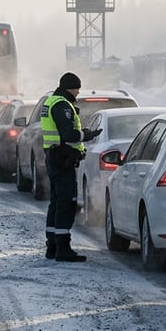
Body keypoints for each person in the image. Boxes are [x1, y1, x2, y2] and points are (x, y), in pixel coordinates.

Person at [39, 71, 101, 262]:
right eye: (77, 89)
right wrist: (87, 135)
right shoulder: (61, 105)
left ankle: (52, 245)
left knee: (57, 202)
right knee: (66, 203)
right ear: (71, 88)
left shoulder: (51, 101)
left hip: (55, 156)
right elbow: (68, 134)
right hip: (62, 159)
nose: (78, 93)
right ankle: (63, 248)